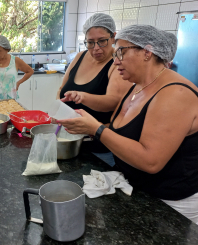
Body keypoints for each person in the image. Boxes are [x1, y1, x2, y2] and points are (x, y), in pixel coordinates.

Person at [57, 24, 198, 224]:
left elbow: (151, 161)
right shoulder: (137, 87)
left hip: (171, 204)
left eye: (121, 52)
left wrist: (96, 129)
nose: (115, 62)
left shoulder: (176, 93)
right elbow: (119, 132)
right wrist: (83, 127)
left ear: (147, 52)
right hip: (137, 190)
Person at [57, 13, 132, 166]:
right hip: (68, 140)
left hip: (98, 148)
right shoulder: (79, 57)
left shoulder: (117, 64)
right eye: (90, 43)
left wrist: (83, 97)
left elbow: (114, 101)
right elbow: (61, 89)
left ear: (113, 37)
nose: (96, 48)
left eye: (102, 41)